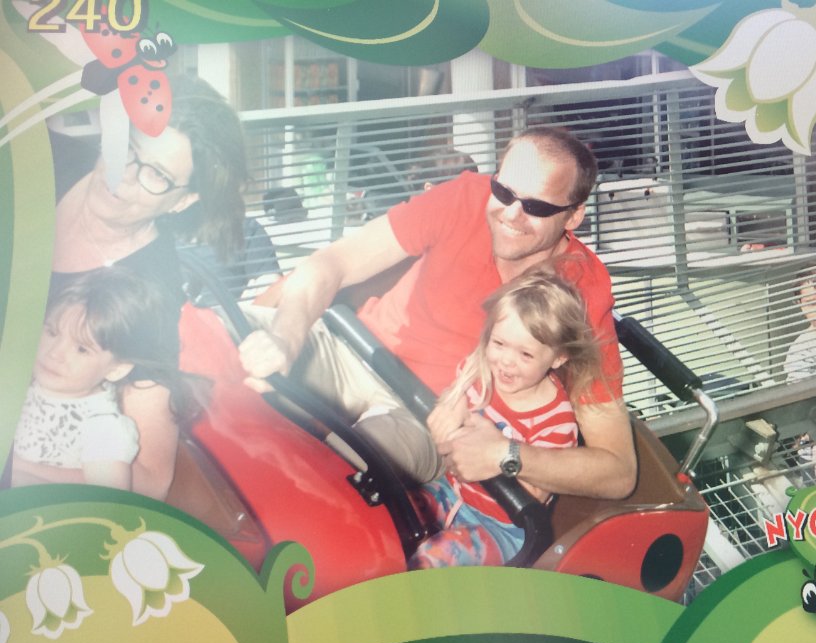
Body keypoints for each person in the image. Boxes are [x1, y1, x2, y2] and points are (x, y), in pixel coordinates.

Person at [239, 127, 637, 500]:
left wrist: (508, 454)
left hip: (426, 415)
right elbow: (332, 264)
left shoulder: (582, 288)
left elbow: (618, 470)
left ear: (573, 216)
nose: (510, 214)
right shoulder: (465, 197)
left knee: (334, 472)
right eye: (503, 191)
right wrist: (284, 338)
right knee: (224, 337)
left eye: (536, 206)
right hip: (355, 351)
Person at [49, 73, 247, 499]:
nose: (122, 176)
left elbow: (152, 478)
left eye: (156, 174)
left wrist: (21, 468)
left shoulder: (150, 295)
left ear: (183, 200)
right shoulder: (42, 160)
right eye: (127, 148)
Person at [410, 273, 603, 567]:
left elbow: (536, 493)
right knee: (394, 510)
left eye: (525, 354)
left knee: (433, 559)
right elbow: (457, 389)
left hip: (501, 527)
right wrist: (453, 403)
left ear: (558, 358)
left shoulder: (556, 421)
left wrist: (495, 452)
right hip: (451, 492)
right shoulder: (483, 371)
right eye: (499, 343)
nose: (506, 361)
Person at [12, 268, 193, 490]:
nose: (54, 353)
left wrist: (22, 475)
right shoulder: (23, 383)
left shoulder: (102, 427)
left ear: (117, 369)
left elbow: (107, 500)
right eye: (51, 333)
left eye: (81, 349)